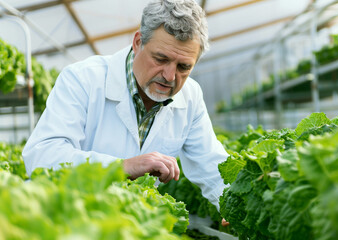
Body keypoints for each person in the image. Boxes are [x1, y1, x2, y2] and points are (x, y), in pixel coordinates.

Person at [22, 0, 229, 225]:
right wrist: (121, 167)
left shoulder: (191, 96)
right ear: (138, 42)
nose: (170, 76)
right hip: (68, 223)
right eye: (161, 59)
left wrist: (235, 206)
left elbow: (212, 166)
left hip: (129, 227)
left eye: (183, 67)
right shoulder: (82, 79)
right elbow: (42, 157)